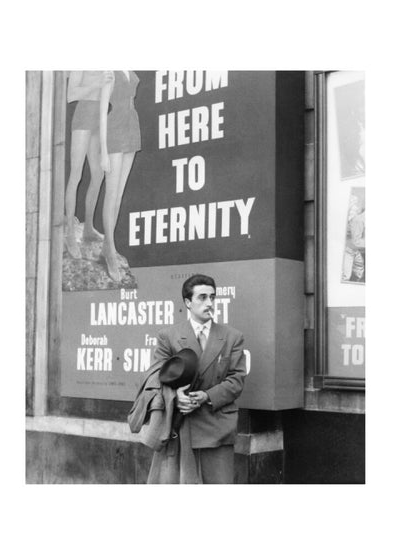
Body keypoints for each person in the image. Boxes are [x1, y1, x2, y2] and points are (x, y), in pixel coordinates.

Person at [148, 274, 247, 484]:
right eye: (202, 297)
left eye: (212, 297)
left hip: (217, 427)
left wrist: (206, 396)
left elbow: (236, 380)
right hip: (181, 427)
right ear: (187, 302)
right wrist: (176, 397)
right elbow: (156, 378)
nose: (209, 303)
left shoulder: (232, 337)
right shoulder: (169, 336)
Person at [64, 70, 114, 258]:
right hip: (83, 115)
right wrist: (97, 84)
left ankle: (88, 227)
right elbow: (71, 95)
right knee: (76, 174)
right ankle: (70, 232)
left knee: (98, 174)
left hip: (100, 117)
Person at [99, 70, 141, 281]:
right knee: (111, 194)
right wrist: (104, 152)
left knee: (119, 195)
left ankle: (108, 246)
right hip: (115, 128)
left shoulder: (131, 70)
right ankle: (110, 251)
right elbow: (102, 111)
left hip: (132, 126)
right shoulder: (109, 70)